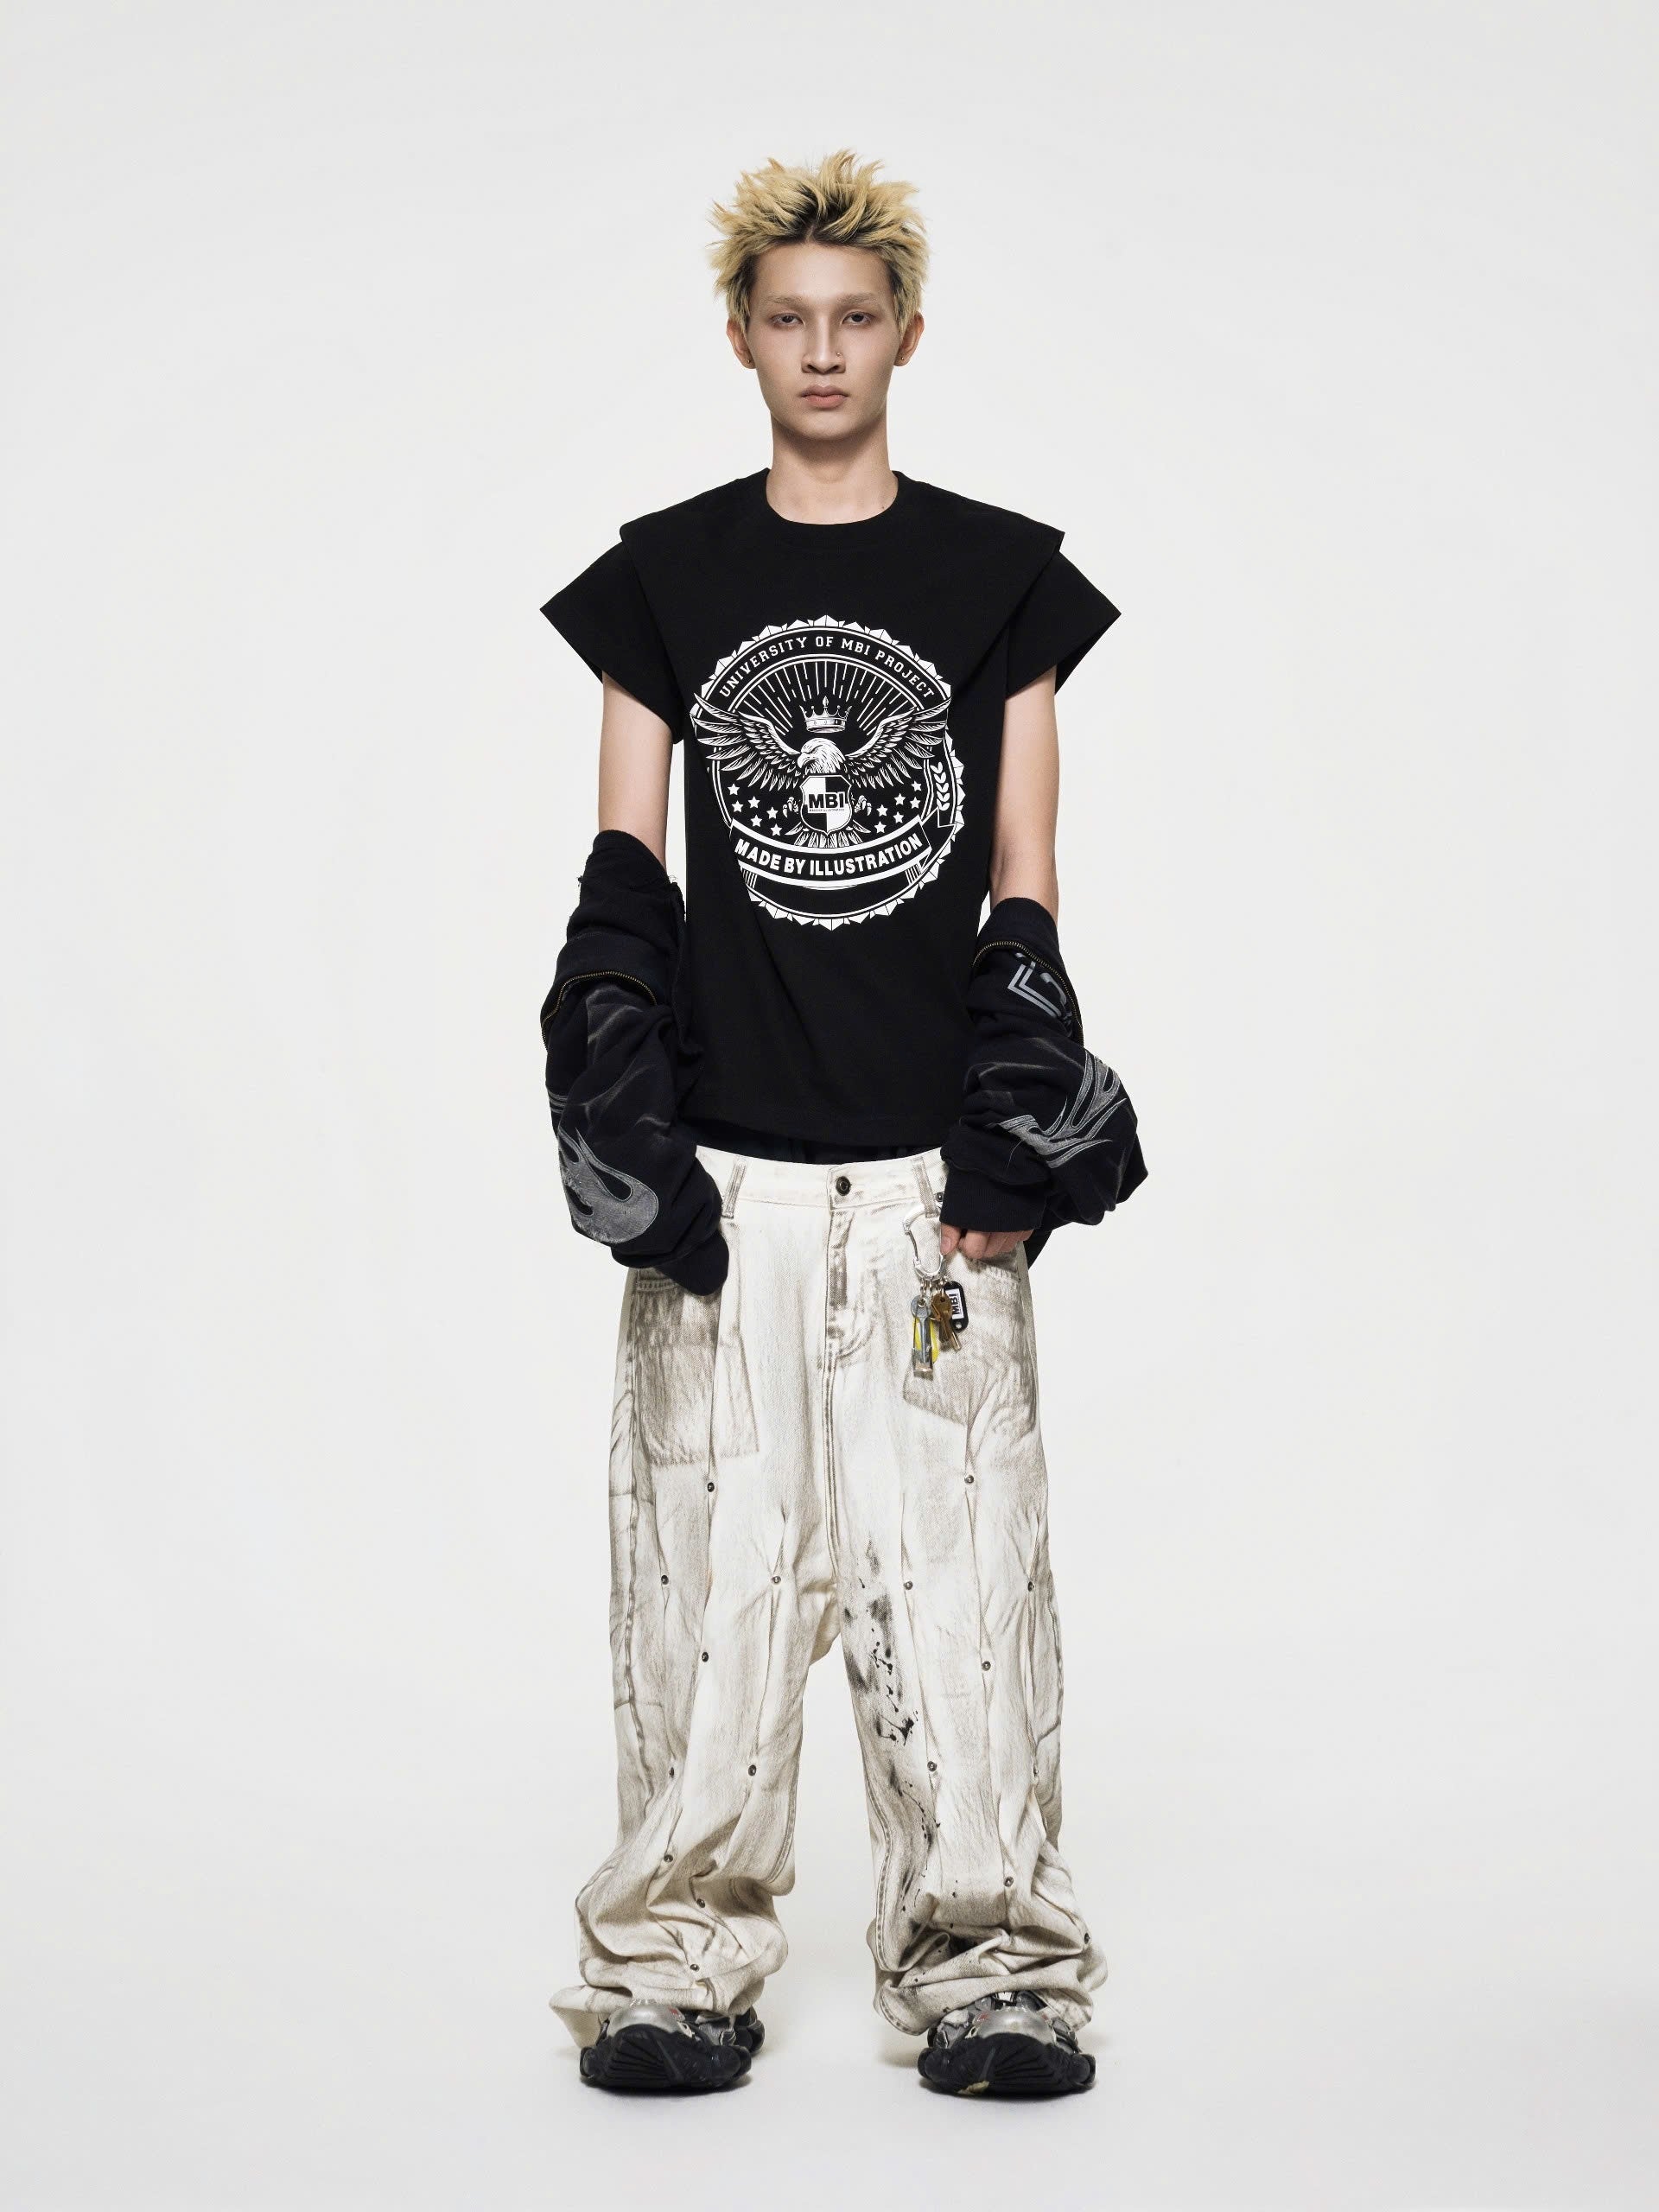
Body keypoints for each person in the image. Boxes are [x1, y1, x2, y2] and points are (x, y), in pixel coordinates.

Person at [536, 148, 1147, 2099]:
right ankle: (674, 1965)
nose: (822, 350)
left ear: (907, 335)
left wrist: (1018, 1128)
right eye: (788, 318)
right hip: (724, 1190)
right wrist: (617, 1103)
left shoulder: (1001, 581)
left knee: (959, 1597)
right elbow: (627, 872)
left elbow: (1024, 879)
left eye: (855, 318)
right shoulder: (663, 578)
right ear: (740, 336)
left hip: (929, 1201)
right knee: (708, 1595)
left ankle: (994, 1969)